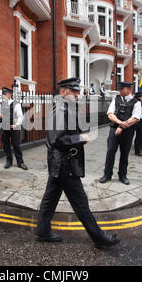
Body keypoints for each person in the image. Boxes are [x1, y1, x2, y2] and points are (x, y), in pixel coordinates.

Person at [35, 77, 121, 249]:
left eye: (78, 90)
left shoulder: (67, 107)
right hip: (64, 164)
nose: (78, 93)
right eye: (74, 91)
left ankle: (43, 231)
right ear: (63, 92)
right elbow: (56, 139)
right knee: (80, 202)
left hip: (60, 163)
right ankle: (99, 237)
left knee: (50, 199)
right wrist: (80, 138)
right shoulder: (60, 109)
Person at [99, 82, 141, 185]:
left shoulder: (136, 102)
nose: (120, 91)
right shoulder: (115, 99)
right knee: (110, 152)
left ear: (128, 90)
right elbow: (110, 114)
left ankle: (122, 175)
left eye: (122, 89)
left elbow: (135, 118)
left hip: (128, 132)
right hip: (114, 130)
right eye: (120, 88)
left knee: (124, 153)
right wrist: (120, 123)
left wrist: (122, 127)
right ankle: (107, 174)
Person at [0, 87, 28, 170]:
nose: (3, 96)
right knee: (6, 146)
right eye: (3, 94)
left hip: (13, 128)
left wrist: (16, 125)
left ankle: (20, 162)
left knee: (16, 145)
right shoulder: (2, 104)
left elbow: (20, 116)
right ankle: (9, 161)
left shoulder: (16, 104)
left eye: (5, 94)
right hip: (4, 127)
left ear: (10, 94)